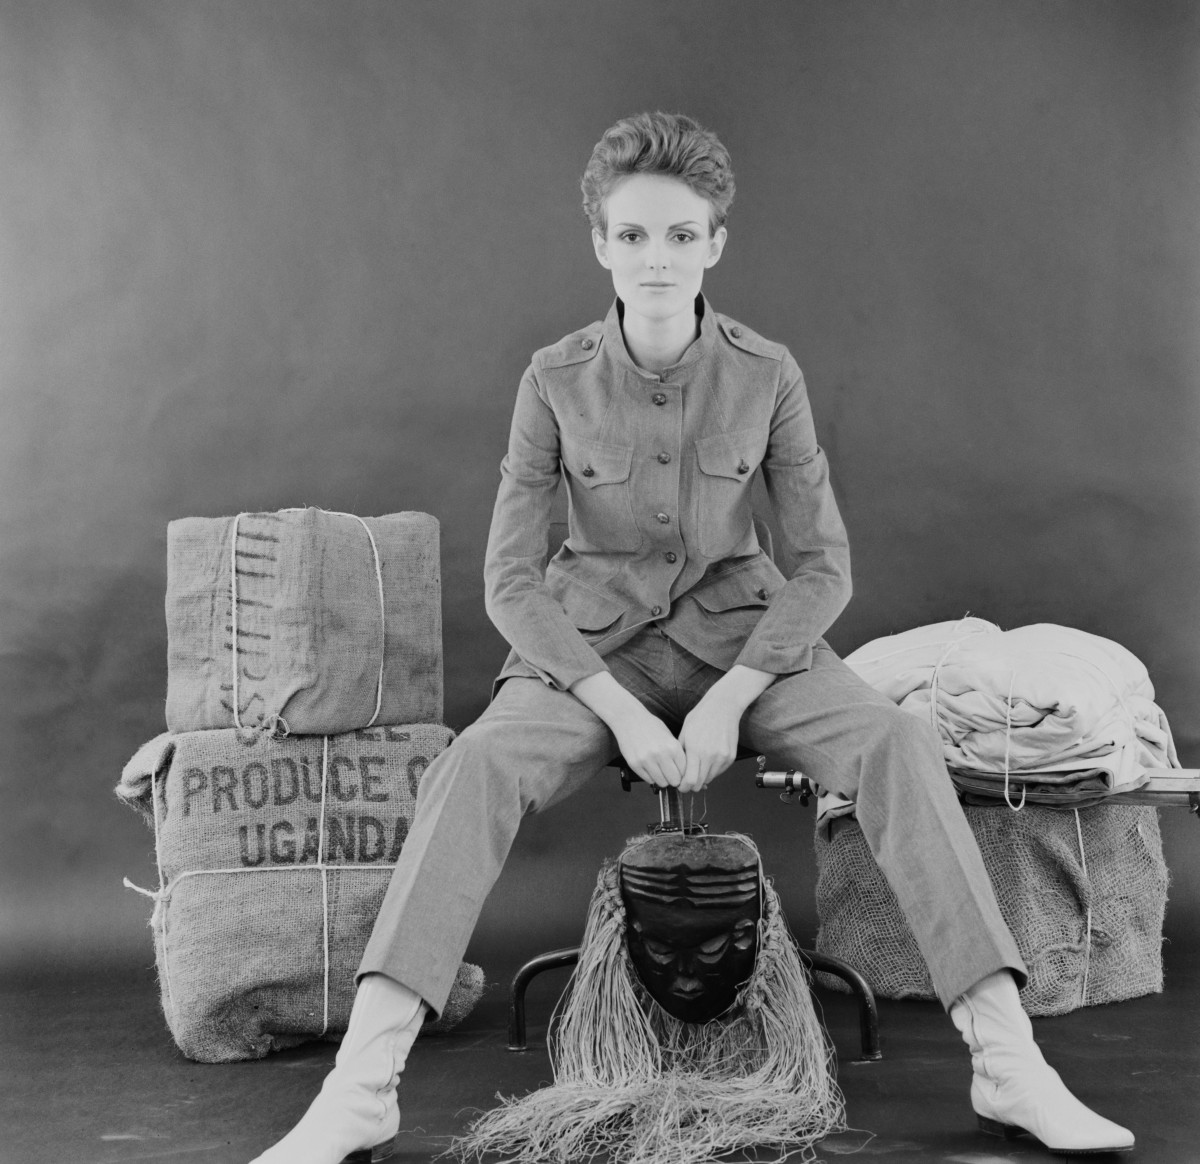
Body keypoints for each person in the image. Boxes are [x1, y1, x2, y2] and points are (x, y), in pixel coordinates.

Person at [250, 111, 1134, 1163]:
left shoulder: (767, 375)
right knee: (475, 763)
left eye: (680, 236)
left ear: (715, 241)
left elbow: (822, 566)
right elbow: (509, 579)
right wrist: (616, 707)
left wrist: (727, 699)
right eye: (633, 237)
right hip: (588, 659)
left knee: (893, 743)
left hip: (747, 648)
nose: (656, 259)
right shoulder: (552, 379)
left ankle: (1008, 1066)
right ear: (599, 245)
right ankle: (363, 1089)